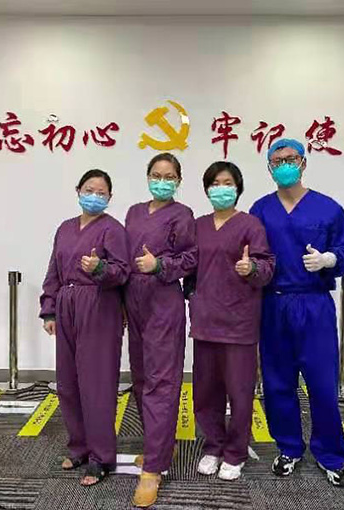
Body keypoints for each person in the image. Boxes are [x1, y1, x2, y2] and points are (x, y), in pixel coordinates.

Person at [250, 138, 344, 487]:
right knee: (278, 382)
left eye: (290, 158)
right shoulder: (260, 209)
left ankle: (331, 454)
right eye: (277, 160)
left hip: (313, 304)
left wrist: (329, 259)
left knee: (322, 384)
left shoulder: (328, 208)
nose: (284, 165)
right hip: (274, 303)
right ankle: (289, 448)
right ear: (269, 167)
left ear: (304, 162)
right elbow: (250, 254)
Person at [39, 169, 130, 487]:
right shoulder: (65, 228)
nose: (94, 196)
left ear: (110, 197)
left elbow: (123, 272)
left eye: (101, 192)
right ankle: (79, 447)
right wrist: (49, 310)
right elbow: (54, 270)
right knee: (68, 382)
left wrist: (100, 267)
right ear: (78, 190)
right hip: (67, 304)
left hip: (99, 304)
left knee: (97, 384)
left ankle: (102, 457)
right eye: (89, 190)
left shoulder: (113, 230)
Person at [186, 161, 274, 481]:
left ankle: (235, 452)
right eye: (215, 183)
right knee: (205, 391)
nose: (221, 189)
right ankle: (213, 445)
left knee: (239, 392)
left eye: (227, 183)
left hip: (239, 322)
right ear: (206, 189)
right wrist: (190, 294)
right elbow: (189, 266)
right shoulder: (198, 225)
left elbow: (267, 266)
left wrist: (251, 269)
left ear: (238, 188)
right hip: (205, 321)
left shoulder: (251, 225)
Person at [124, 153, 197, 508]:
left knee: (161, 383)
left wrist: (159, 265)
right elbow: (124, 258)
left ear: (179, 181)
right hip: (134, 300)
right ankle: (159, 446)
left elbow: (190, 259)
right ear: (147, 176)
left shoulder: (183, 215)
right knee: (140, 378)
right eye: (156, 174)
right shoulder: (134, 212)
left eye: (169, 176)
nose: (162, 181)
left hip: (163, 302)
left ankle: (153, 468)